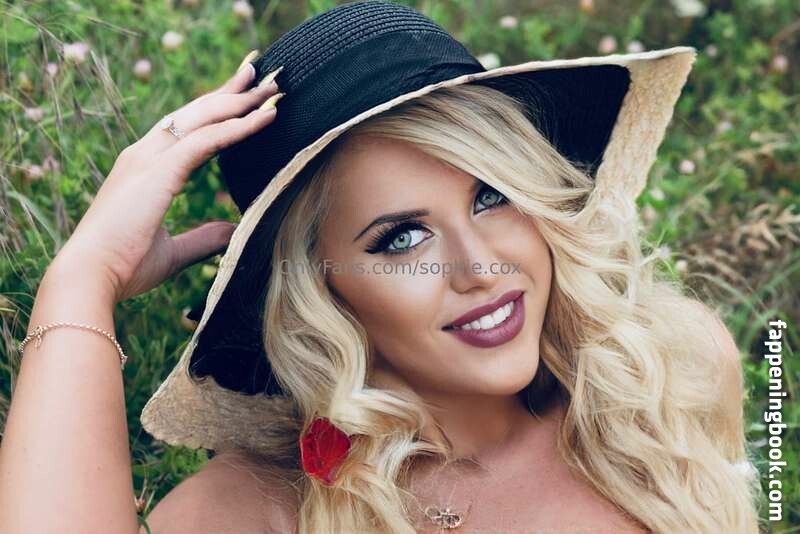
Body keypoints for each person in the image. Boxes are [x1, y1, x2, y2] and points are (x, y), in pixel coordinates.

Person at [0, 2, 761, 533]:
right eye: (401, 239)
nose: (480, 267)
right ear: (320, 290)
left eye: (493, 195)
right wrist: (84, 277)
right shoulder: (258, 510)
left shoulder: (662, 382)